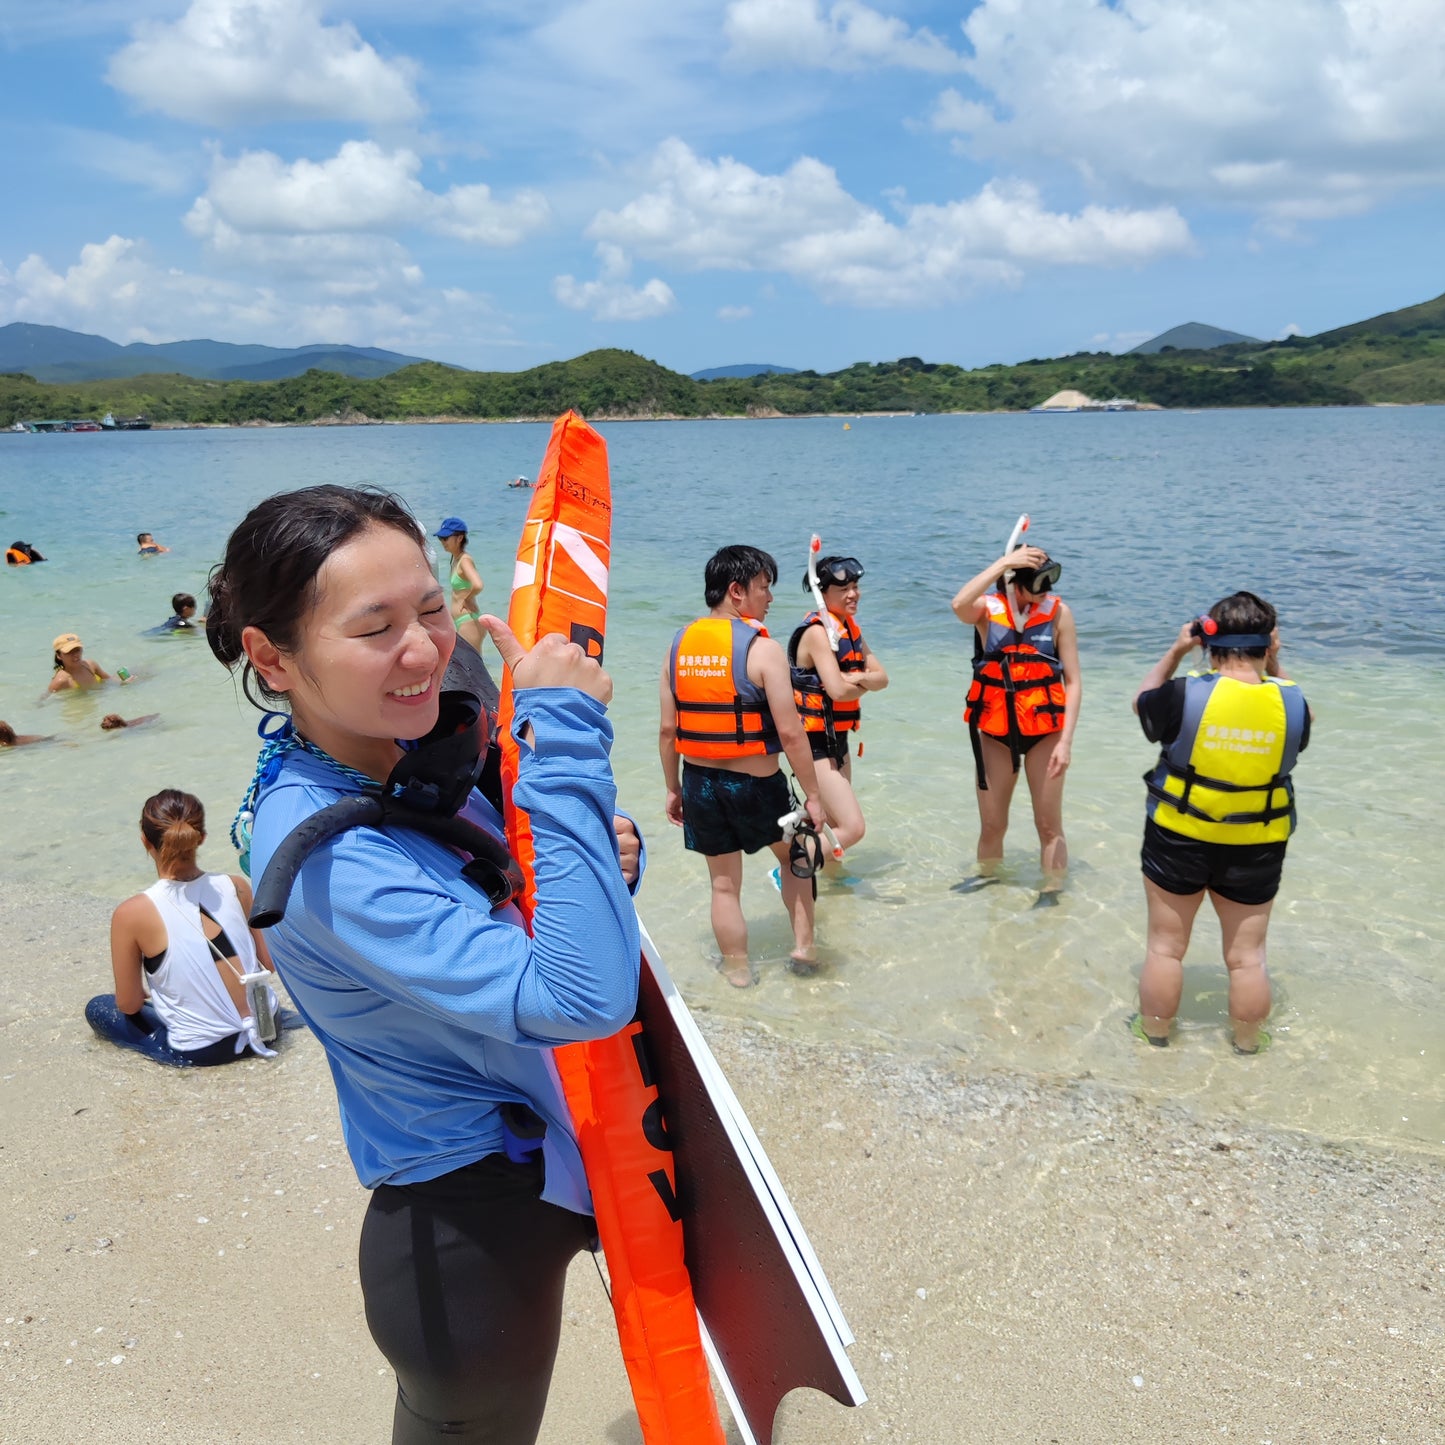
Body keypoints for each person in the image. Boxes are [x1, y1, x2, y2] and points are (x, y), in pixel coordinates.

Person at [206, 483, 640, 1444]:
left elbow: (519, 906)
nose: (424, 651)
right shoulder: (327, 855)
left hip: (541, 1162)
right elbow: (579, 996)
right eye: (375, 628)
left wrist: (603, 856)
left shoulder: (391, 757)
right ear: (272, 657)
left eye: (432, 609)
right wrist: (567, 735)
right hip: (463, 1243)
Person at [1132, 592, 1310, 1054]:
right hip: (1257, 843)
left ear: (1207, 640)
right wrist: (1275, 663)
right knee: (1247, 959)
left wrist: (1175, 651)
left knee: (1166, 948)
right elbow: (1300, 720)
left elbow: (1141, 702)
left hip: (1180, 834)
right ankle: (1248, 1045)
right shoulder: (1292, 702)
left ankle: (1154, 1040)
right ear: (1269, 644)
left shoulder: (1184, 693)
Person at [659, 544, 827, 985]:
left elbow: (665, 729)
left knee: (723, 884)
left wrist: (672, 788)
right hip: (757, 786)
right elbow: (791, 734)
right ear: (737, 591)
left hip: (698, 784)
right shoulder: (762, 649)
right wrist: (812, 795)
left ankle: (737, 972)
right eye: (763, 588)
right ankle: (803, 949)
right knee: (797, 856)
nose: (770, 598)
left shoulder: (677, 645)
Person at [85, 788, 280, 1066]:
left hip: (208, 1051)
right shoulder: (236, 886)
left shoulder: (131, 913)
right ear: (200, 838)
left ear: (145, 841)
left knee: (98, 1008)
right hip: (267, 1027)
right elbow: (268, 964)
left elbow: (129, 1004)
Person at [951, 542, 1081, 901]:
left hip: (1045, 733)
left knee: (1048, 824)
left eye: (1048, 583)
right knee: (993, 824)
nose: (1044, 593)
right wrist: (1004, 563)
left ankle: (1052, 891)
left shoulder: (1058, 614)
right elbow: (958, 605)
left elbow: (1073, 681)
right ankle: (991, 889)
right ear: (1013, 583)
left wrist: (1066, 741)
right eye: (1035, 584)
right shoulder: (987, 612)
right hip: (995, 732)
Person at [787, 554, 889, 857]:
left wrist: (856, 676)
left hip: (838, 742)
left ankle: (832, 887)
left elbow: (883, 678)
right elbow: (838, 691)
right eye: (844, 589)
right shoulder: (817, 633)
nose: (853, 594)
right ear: (822, 593)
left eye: (856, 586)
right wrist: (861, 682)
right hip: (814, 745)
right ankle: (789, 866)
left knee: (830, 825)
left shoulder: (850, 630)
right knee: (853, 827)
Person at [435, 516, 485, 652]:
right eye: (440, 539)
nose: (442, 542)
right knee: (467, 670)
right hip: (464, 622)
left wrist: (466, 599)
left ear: (459, 538)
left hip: (469, 622)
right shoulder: (456, 559)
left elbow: (478, 584)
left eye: (446, 538)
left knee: (469, 670)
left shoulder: (464, 560)